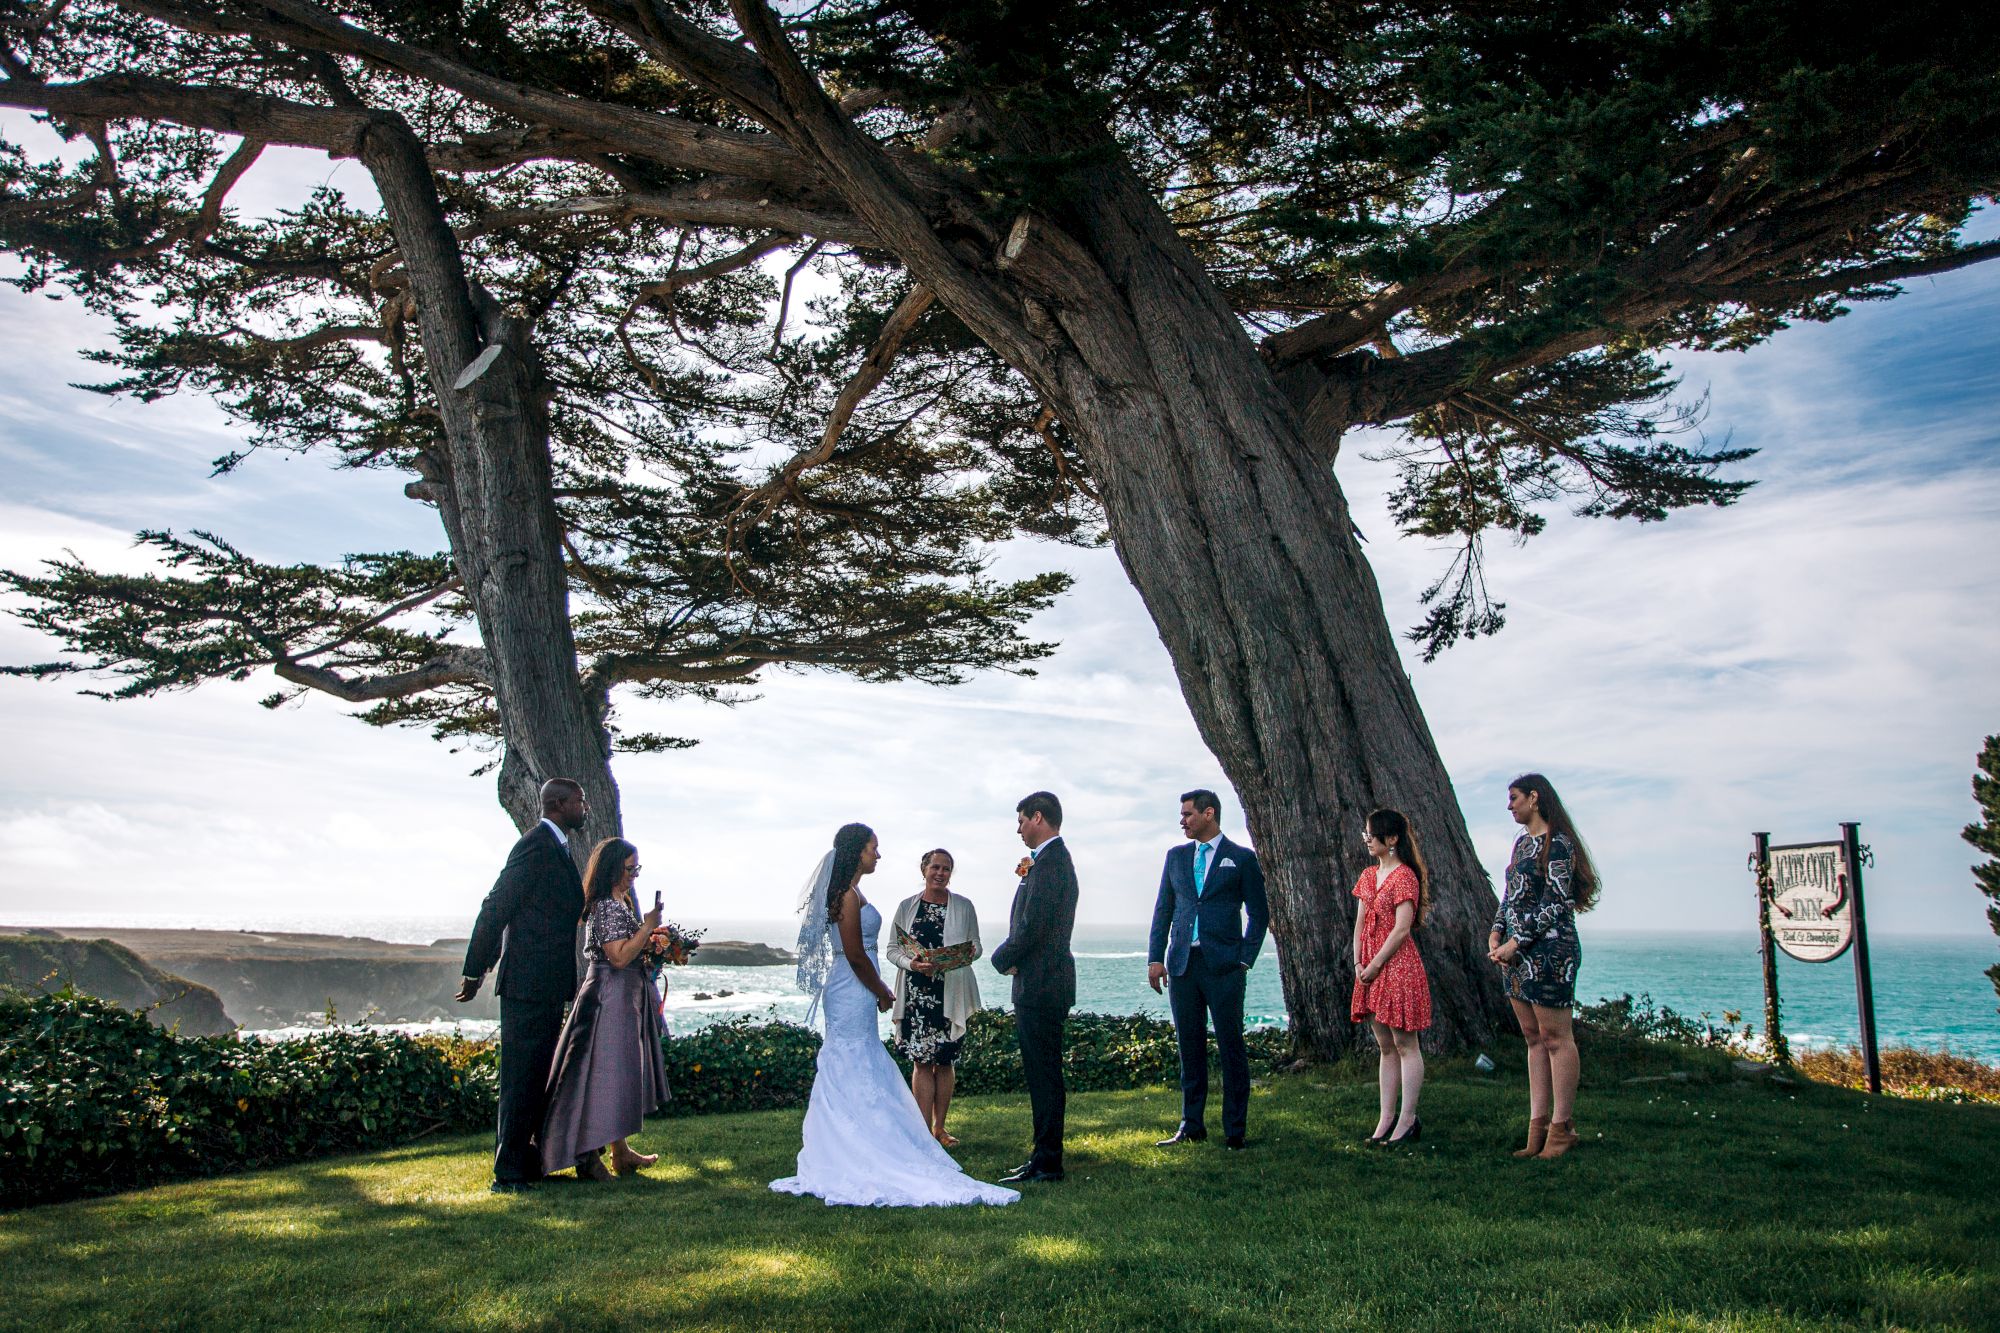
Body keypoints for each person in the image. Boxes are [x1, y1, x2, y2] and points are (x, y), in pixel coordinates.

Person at [769, 823, 1018, 1207]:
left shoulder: (852, 892)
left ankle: (864, 1136)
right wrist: (883, 990)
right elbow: (854, 954)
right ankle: (856, 1143)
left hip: (857, 985)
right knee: (852, 1056)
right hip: (853, 985)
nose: (878, 855)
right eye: (873, 848)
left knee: (857, 1057)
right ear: (857, 851)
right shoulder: (849, 897)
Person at [457, 778, 589, 1192]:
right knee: (520, 1077)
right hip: (527, 984)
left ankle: (529, 1161)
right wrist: (477, 967)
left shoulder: (559, 847)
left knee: (536, 1075)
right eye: (579, 801)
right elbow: (497, 905)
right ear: (559, 804)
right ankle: (508, 1172)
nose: (584, 807)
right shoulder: (535, 845)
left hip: (545, 983)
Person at [538, 838, 672, 1180]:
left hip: (622, 996)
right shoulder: (607, 907)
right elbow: (618, 956)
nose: (634, 876)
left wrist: (656, 944)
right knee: (600, 1074)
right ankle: (586, 1156)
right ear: (612, 868)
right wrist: (648, 925)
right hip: (609, 998)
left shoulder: (617, 903)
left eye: (636, 869)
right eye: (630, 869)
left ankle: (620, 1151)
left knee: (617, 1072)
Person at [1146, 788, 1268, 1150]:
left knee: (1231, 1045)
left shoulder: (1241, 858)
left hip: (1224, 966)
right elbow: (1163, 910)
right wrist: (1156, 958)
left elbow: (1259, 914)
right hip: (1182, 964)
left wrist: (1244, 958)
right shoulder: (1176, 857)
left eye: (1187, 814)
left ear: (1209, 813)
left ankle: (1235, 1129)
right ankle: (1191, 1124)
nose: (1182, 821)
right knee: (1190, 1046)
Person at [1489, 773, 1600, 1161]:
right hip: (1517, 954)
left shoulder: (1558, 845)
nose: (1509, 806)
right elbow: (1511, 895)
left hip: (1551, 952)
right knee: (1533, 1039)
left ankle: (1562, 1127)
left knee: (1556, 1038)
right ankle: (1537, 1127)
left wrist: (1516, 942)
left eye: (1514, 798)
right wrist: (1497, 933)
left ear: (1534, 798)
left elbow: (1556, 902)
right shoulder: (1521, 844)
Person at [991, 791, 1079, 1185]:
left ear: (1038, 817)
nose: (1019, 829)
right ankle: (1042, 1155)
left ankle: (1047, 1162)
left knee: (1044, 1076)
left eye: (1022, 821)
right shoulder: (1047, 863)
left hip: (1043, 984)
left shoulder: (1051, 864)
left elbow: (1034, 927)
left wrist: (1000, 957)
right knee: (1042, 1074)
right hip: (1040, 981)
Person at [885, 848, 984, 1147]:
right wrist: (912, 964)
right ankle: (922, 1131)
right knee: (921, 1062)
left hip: (950, 991)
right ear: (924, 870)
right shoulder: (906, 906)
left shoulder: (964, 907)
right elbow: (892, 949)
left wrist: (955, 958)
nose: (940, 873)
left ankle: (940, 1129)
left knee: (944, 1061)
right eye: (936, 868)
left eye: (946, 869)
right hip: (916, 992)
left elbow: (976, 947)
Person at [1351, 808, 1432, 1146]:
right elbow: (1360, 923)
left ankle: (1408, 1119)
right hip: (1369, 969)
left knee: (1404, 1043)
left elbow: (1401, 929)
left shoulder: (1405, 877)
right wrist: (1359, 963)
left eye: (1372, 833)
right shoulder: (1369, 876)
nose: (1367, 838)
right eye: (1366, 833)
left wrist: (1375, 964)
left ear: (1392, 838)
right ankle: (1385, 1119)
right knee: (1385, 1046)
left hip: (1396, 967)